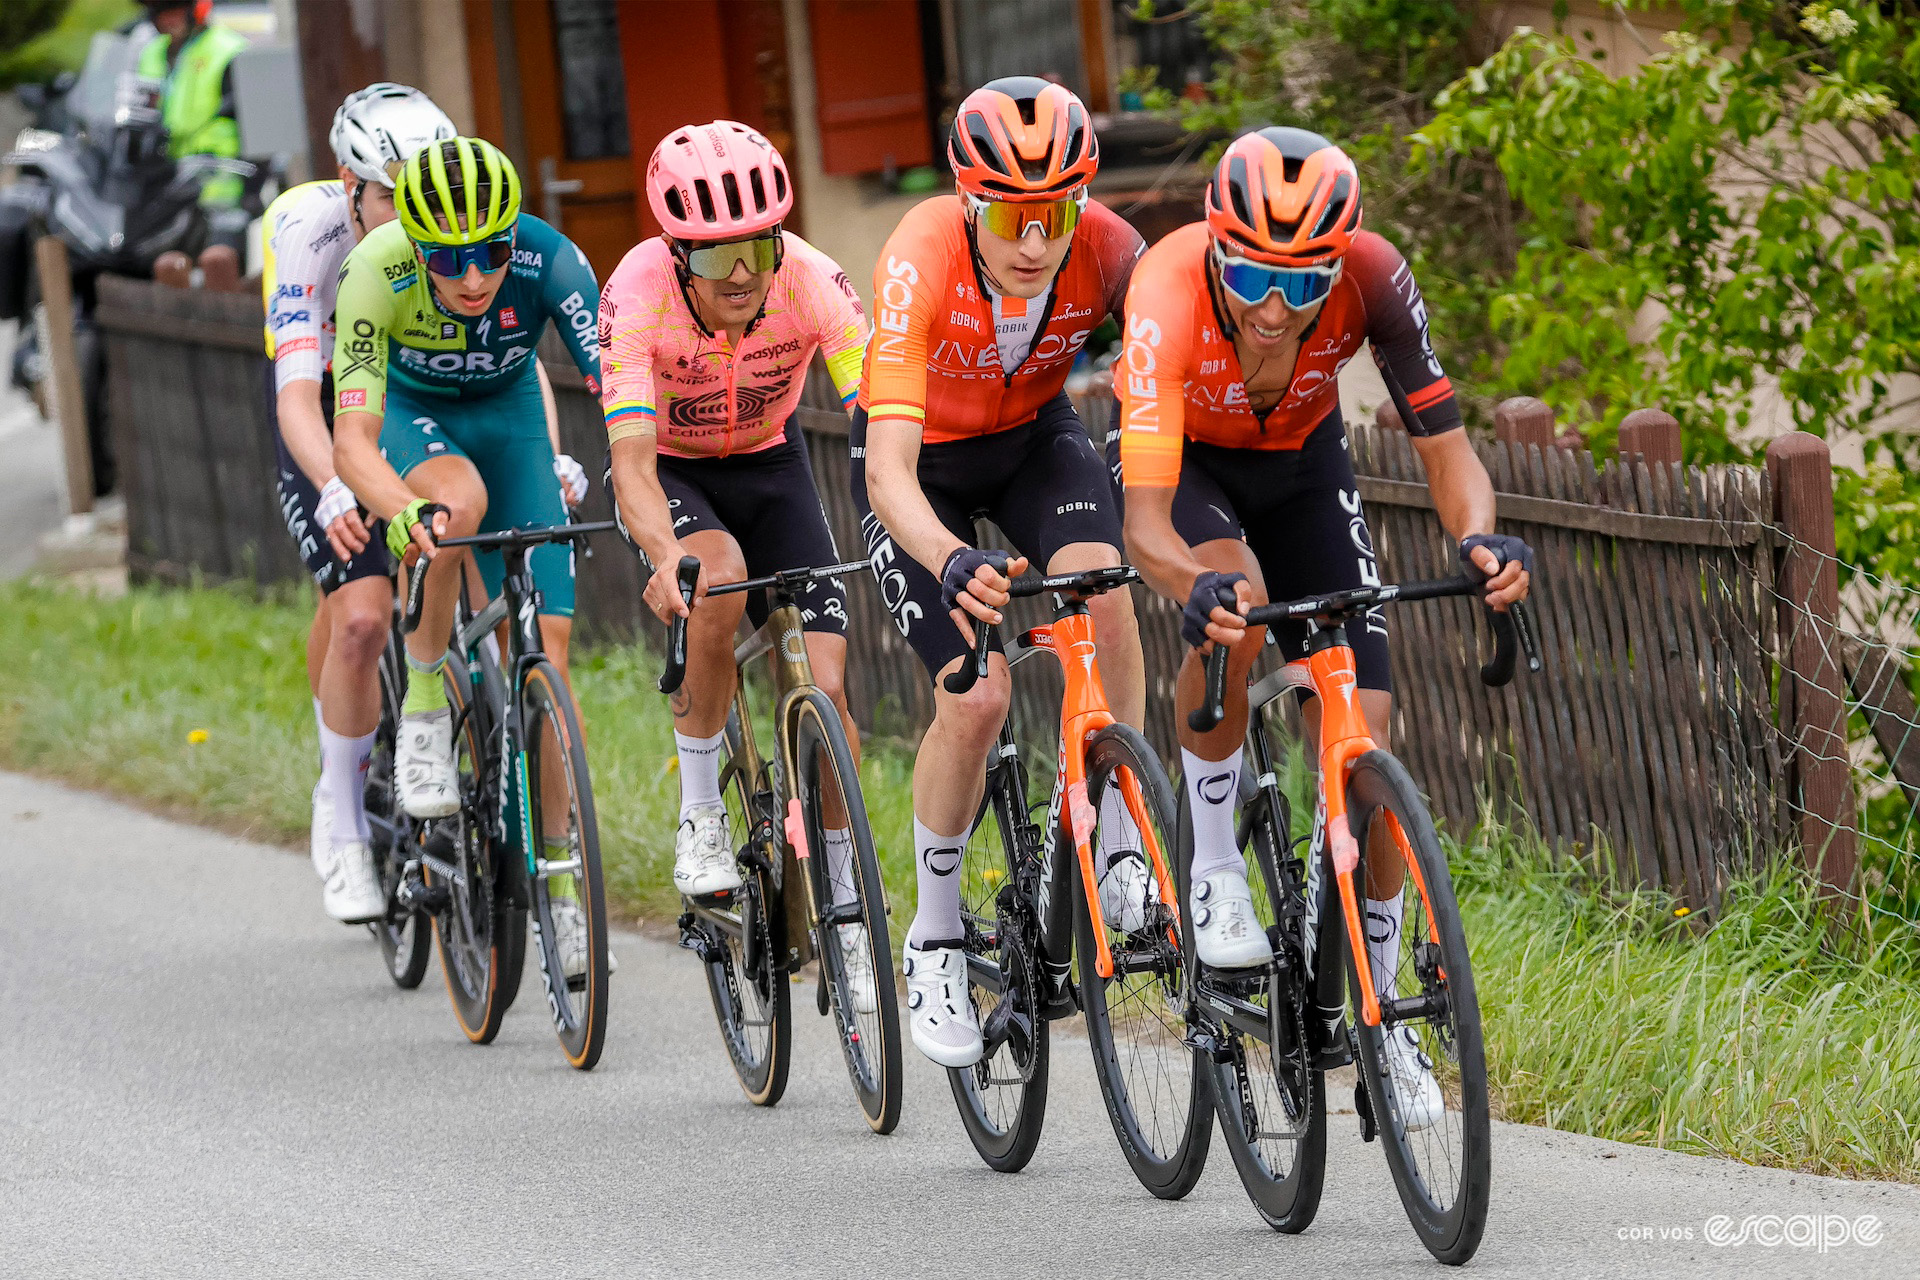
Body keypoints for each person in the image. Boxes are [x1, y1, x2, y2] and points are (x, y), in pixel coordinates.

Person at [1113, 126, 1533, 1124]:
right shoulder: (1166, 298)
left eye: (1303, 288)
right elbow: (1141, 527)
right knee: (1238, 602)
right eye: (1254, 274)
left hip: (1304, 466)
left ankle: (1387, 1018)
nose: (1272, 308)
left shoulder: (1377, 277)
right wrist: (1193, 586)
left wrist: (1480, 540)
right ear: (1218, 246)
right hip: (1194, 479)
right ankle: (1212, 860)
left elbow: (1446, 447)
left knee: (1366, 724)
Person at [851, 77, 1147, 1068]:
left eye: (1055, 213)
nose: (1034, 241)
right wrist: (948, 554)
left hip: (1031, 442)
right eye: (1013, 216)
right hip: (921, 471)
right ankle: (934, 934)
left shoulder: (1109, 251)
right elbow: (886, 469)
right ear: (971, 203)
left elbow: (1183, 354)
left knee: (1105, 592)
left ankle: (1121, 843)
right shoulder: (918, 257)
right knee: (976, 697)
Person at [598, 122, 876, 1005]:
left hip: (770, 458)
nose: (744, 274)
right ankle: (702, 815)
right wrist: (664, 553)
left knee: (827, 693)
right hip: (673, 468)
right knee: (711, 576)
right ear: (677, 257)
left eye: (758, 246)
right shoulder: (636, 293)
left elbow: (884, 409)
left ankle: (847, 902)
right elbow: (633, 465)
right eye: (717, 260)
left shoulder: (813, 279)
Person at [329, 136, 604, 974]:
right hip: (418, 417)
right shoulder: (376, 272)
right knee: (456, 508)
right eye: (450, 258)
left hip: (511, 415)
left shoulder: (551, 259)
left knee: (549, 654)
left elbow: (624, 388)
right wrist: (401, 507)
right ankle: (421, 708)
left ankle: (564, 888)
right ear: (416, 244)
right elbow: (352, 442)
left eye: (489, 252)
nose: (475, 276)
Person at [263, 83, 458, 924]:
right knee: (359, 615)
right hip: (325, 404)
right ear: (349, 185)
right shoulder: (308, 229)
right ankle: (340, 818)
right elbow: (297, 399)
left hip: (412, 400)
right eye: (389, 196)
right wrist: (337, 478)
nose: (413, 215)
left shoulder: (454, 220)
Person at [136, 1, 249, 216]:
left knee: (217, 249)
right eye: (160, 12)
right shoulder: (152, 52)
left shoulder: (226, 48)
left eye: (174, 10)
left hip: (220, 174)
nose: (168, 19)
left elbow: (249, 120)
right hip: (169, 176)